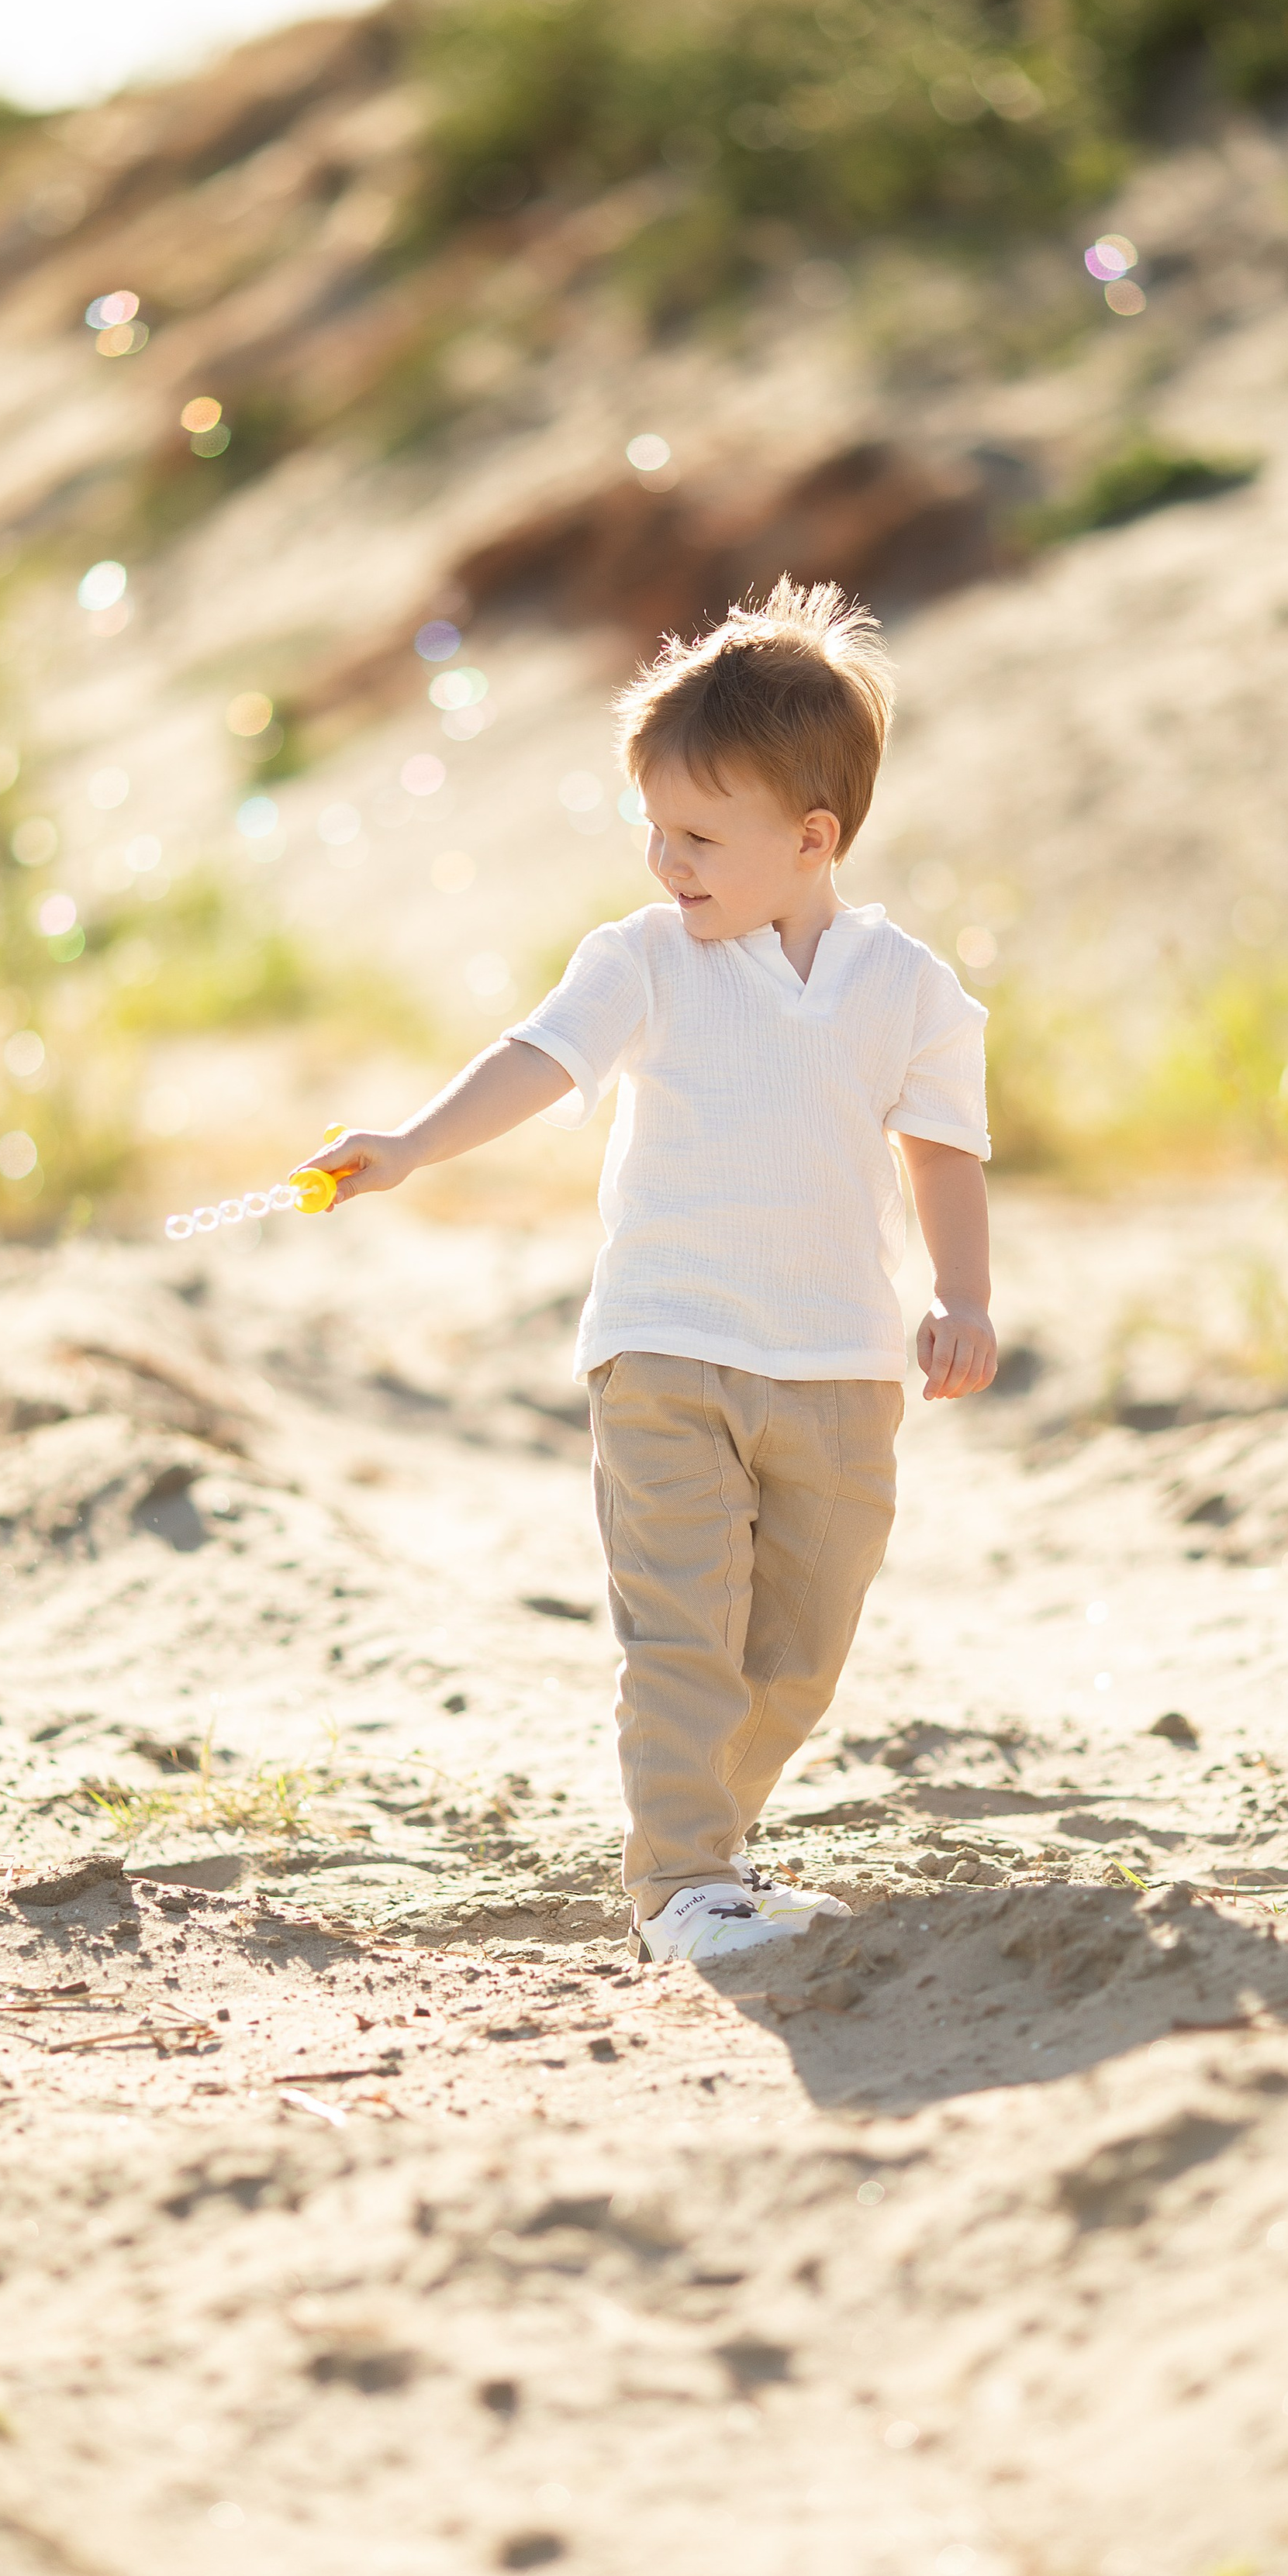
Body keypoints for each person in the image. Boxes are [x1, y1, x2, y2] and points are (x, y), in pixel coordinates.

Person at [294, 576, 996, 1964]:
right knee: (681, 1634)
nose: (666, 864)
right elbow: (538, 1057)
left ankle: (704, 1852)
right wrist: (417, 1144)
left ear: (812, 838)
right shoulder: (646, 962)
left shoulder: (908, 986)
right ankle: (682, 1884)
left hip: (842, 1369)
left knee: (796, 1654)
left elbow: (945, 1152)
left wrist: (961, 1296)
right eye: (654, 832)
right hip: (665, 1350)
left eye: (697, 836)